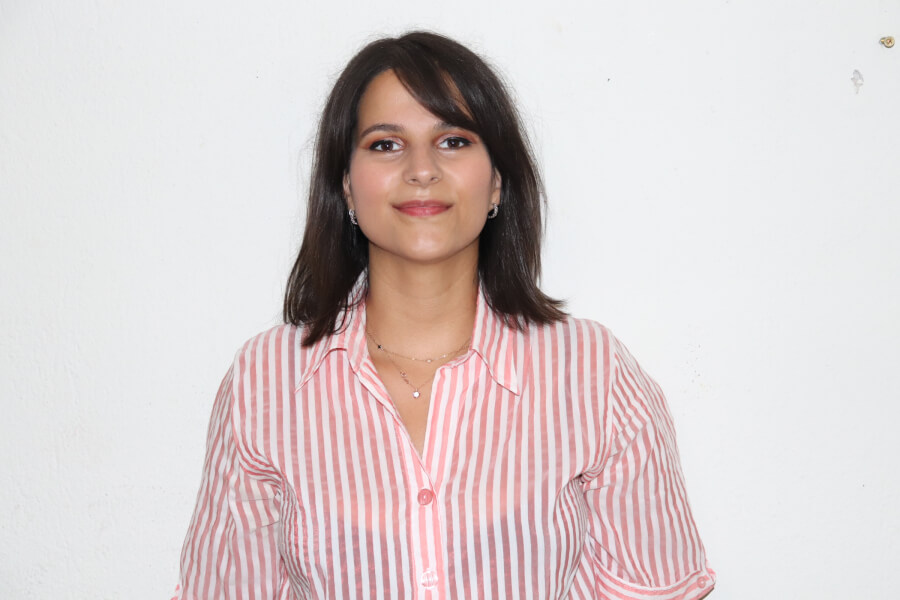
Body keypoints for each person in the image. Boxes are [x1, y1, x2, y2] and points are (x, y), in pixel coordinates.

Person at [174, 31, 715, 599]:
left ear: (497, 182)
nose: (422, 169)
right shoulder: (264, 383)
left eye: (453, 140)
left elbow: (653, 588)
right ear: (347, 188)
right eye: (386, 144)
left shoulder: (591, 374)